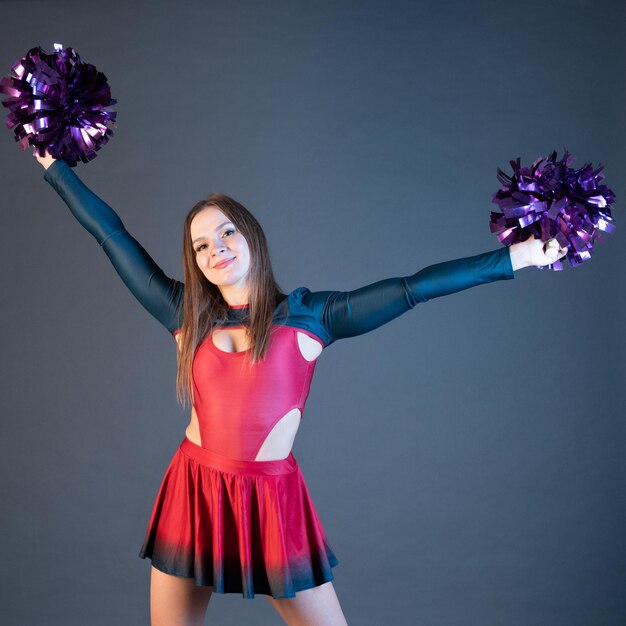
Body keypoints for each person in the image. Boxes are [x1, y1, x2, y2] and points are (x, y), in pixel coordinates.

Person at [34, 149, 567, 626]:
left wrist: (516, 258)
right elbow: (112, 236)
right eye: (200, 245)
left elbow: (412, 289)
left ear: (251, 237)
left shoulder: (313, 315)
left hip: (271, 501)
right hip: (192, 489)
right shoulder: (184, 313)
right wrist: (54, 166)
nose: (215, 249)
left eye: (226, 233)